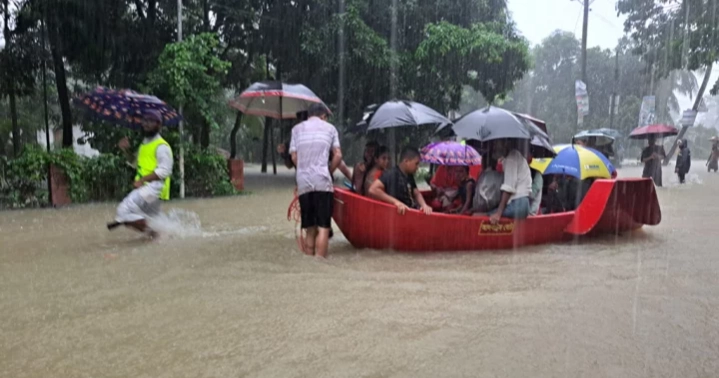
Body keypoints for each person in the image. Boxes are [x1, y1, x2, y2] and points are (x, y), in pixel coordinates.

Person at [107, 110, 173, 238]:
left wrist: (142, 180)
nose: (146, 124)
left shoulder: (162, 146)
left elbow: (165, 171)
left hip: (154, 187)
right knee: (150, 218)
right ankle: (165, 236)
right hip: (147, 189)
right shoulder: (145, 144)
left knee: (124, 211)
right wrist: (125, 150)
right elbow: (134, 163)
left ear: (158, 125)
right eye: (144, 120)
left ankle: (156, 235)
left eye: (150, 121)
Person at [289, 103, 342, 258]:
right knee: (324, 227)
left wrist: (304, 170)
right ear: (323, 116)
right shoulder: (330, 129)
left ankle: (309, 262)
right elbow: (338, 155)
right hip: (322, 182)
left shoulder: (296, 130)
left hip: (303, 183)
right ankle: (320, 264)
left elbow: (293, 157)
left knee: (310, 229)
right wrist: (328, 171)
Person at [369, 147, 433, 215]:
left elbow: (416, 193)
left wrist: (424, 205)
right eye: (416, 164)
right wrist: (396, 202)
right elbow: (373, 189)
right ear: (406, 161)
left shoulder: (409, 175)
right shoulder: (392, 174)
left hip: (410, 213)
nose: (417, 167)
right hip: (397, 215)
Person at [484, 139, 533, 224]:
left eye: (497, 143)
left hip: (518, 205)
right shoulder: (512, 157)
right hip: (521, 205)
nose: (494, 146)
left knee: (482, 215)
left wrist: (498, 214)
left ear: (505, 144)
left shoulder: (511, 158)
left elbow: (508, 188)